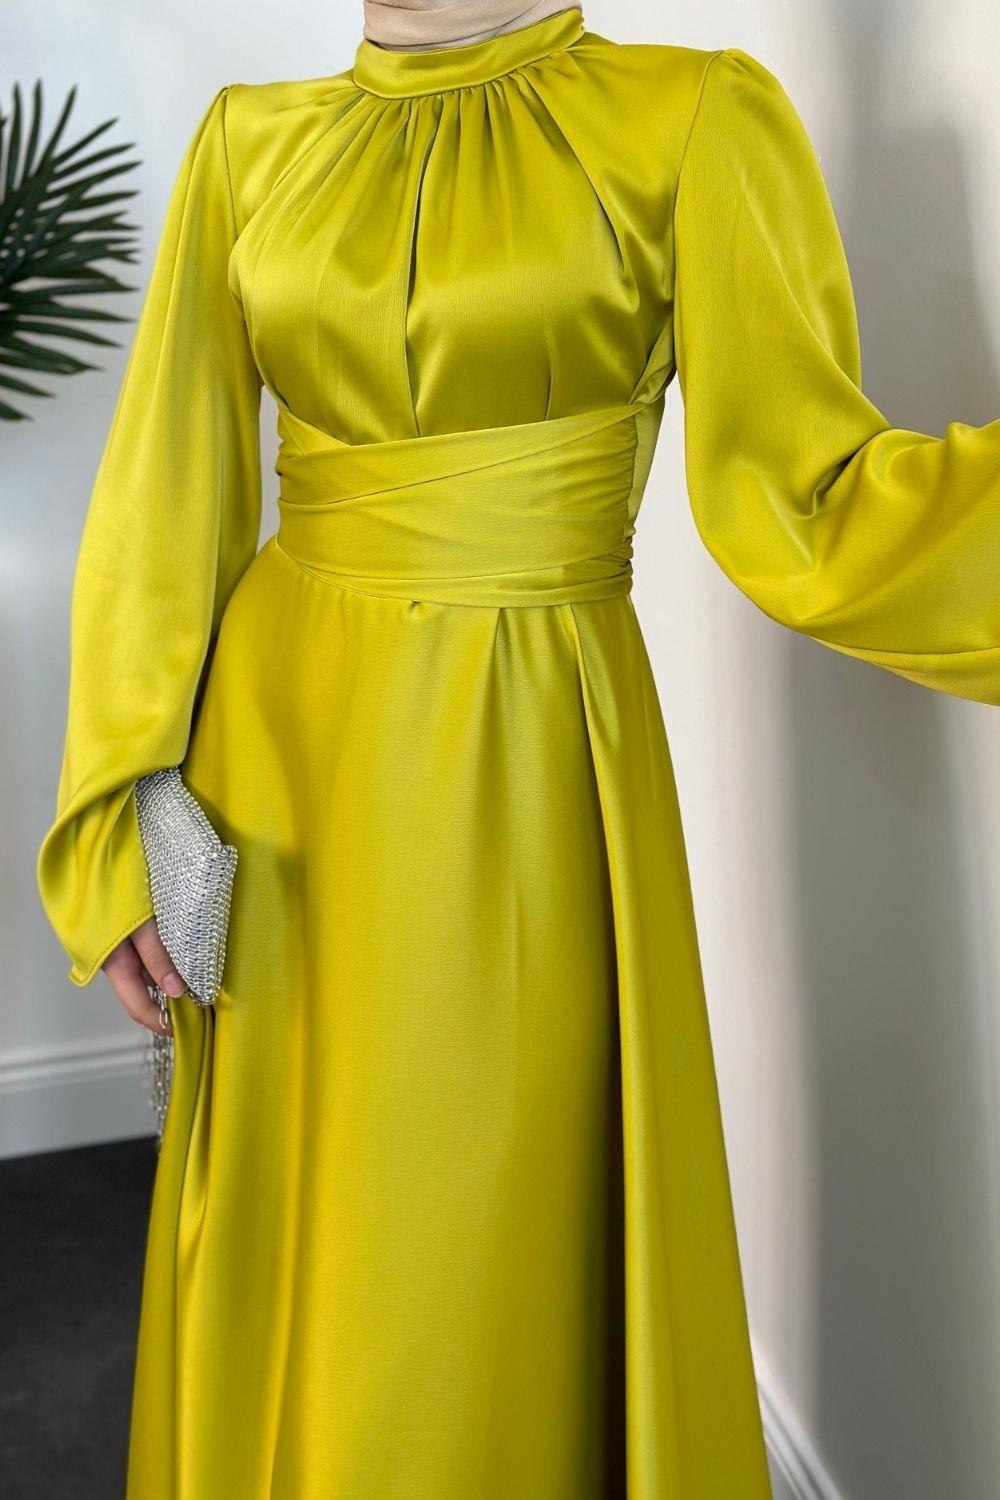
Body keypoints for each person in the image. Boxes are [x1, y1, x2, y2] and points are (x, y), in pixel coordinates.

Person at [36, 4, 1000, 1495]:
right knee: (305, 1234)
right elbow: (164, 496)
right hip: (270, 782)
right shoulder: (250, 144)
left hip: (522, 761)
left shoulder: (692, 116)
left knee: (463, 1257)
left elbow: (804, 496)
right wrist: (119, 820)